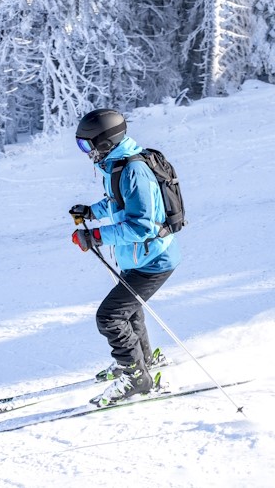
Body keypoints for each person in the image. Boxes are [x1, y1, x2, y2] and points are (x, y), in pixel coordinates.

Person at [69, 108, 181, 406]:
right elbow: (118, 203)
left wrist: (96, 236)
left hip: (153, 260)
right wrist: (92, 212)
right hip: (139, 258)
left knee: (110, 316)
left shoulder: (134, 170)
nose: (85, 151)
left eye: (86, 144)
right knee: (128, 310)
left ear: (105, 141)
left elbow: (143, 226)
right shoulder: (116, 164)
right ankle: (141, 361)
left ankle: (136, 378)